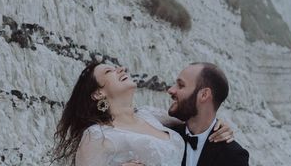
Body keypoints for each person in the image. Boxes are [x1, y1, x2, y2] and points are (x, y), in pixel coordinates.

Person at [53, 62, 233, 166]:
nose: (120, 69)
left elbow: (197, 118)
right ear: (98, 93)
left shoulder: (151, 115)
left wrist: (220, 125)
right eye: (109, 71)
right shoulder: (97, 135)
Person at [167, 62, 249, 166]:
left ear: (204, 95)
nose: (171, 90)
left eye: (181, 85)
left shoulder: (233, 155)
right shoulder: (165, 135)